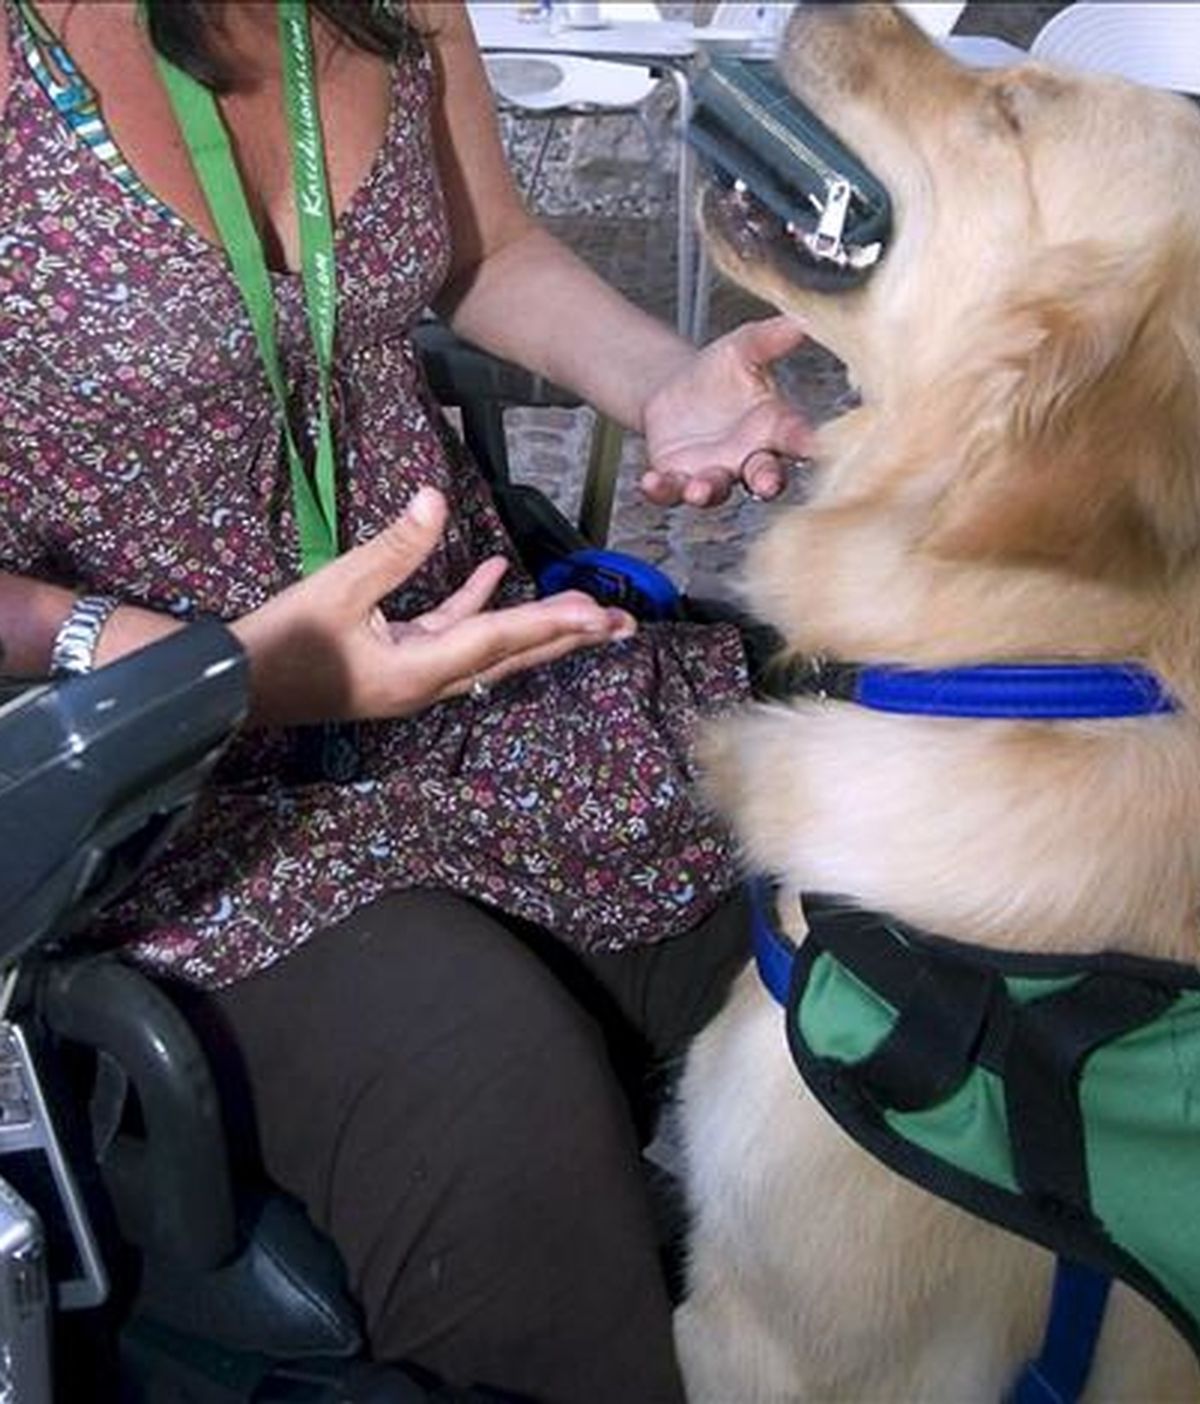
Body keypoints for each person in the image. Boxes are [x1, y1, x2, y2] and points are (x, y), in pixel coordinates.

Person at [0, 1, 811, 1399]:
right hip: (150, 799)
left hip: (479, 687)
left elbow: (483, 246)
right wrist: (208, 670)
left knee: (866, 937)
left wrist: (663, 382)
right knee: (504, 1106)